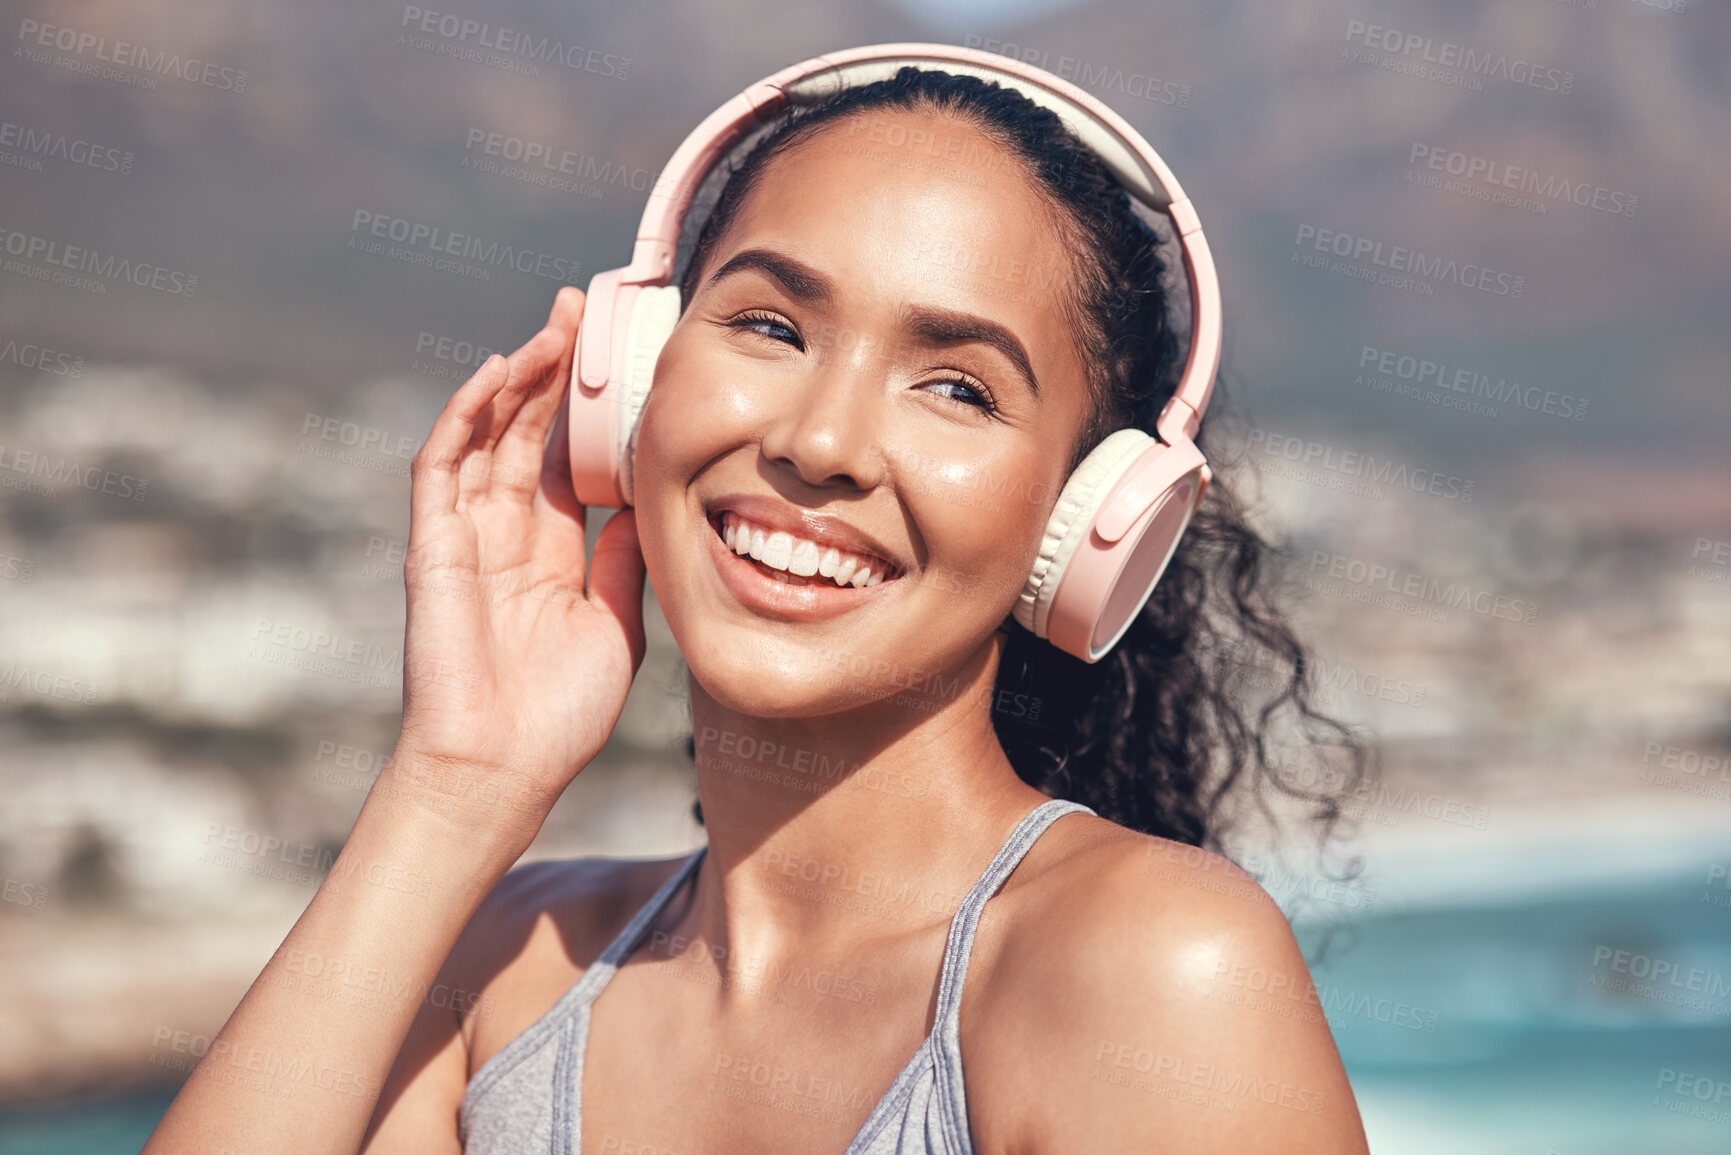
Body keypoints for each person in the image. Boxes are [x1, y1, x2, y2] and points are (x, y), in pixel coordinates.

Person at [146, 59, 1372, 1154]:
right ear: (630, 386)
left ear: (1091, 516)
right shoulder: (504, 969)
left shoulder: (1149, 973)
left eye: (957, 388)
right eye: (771, 325)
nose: (822, 440)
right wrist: (454, 787)